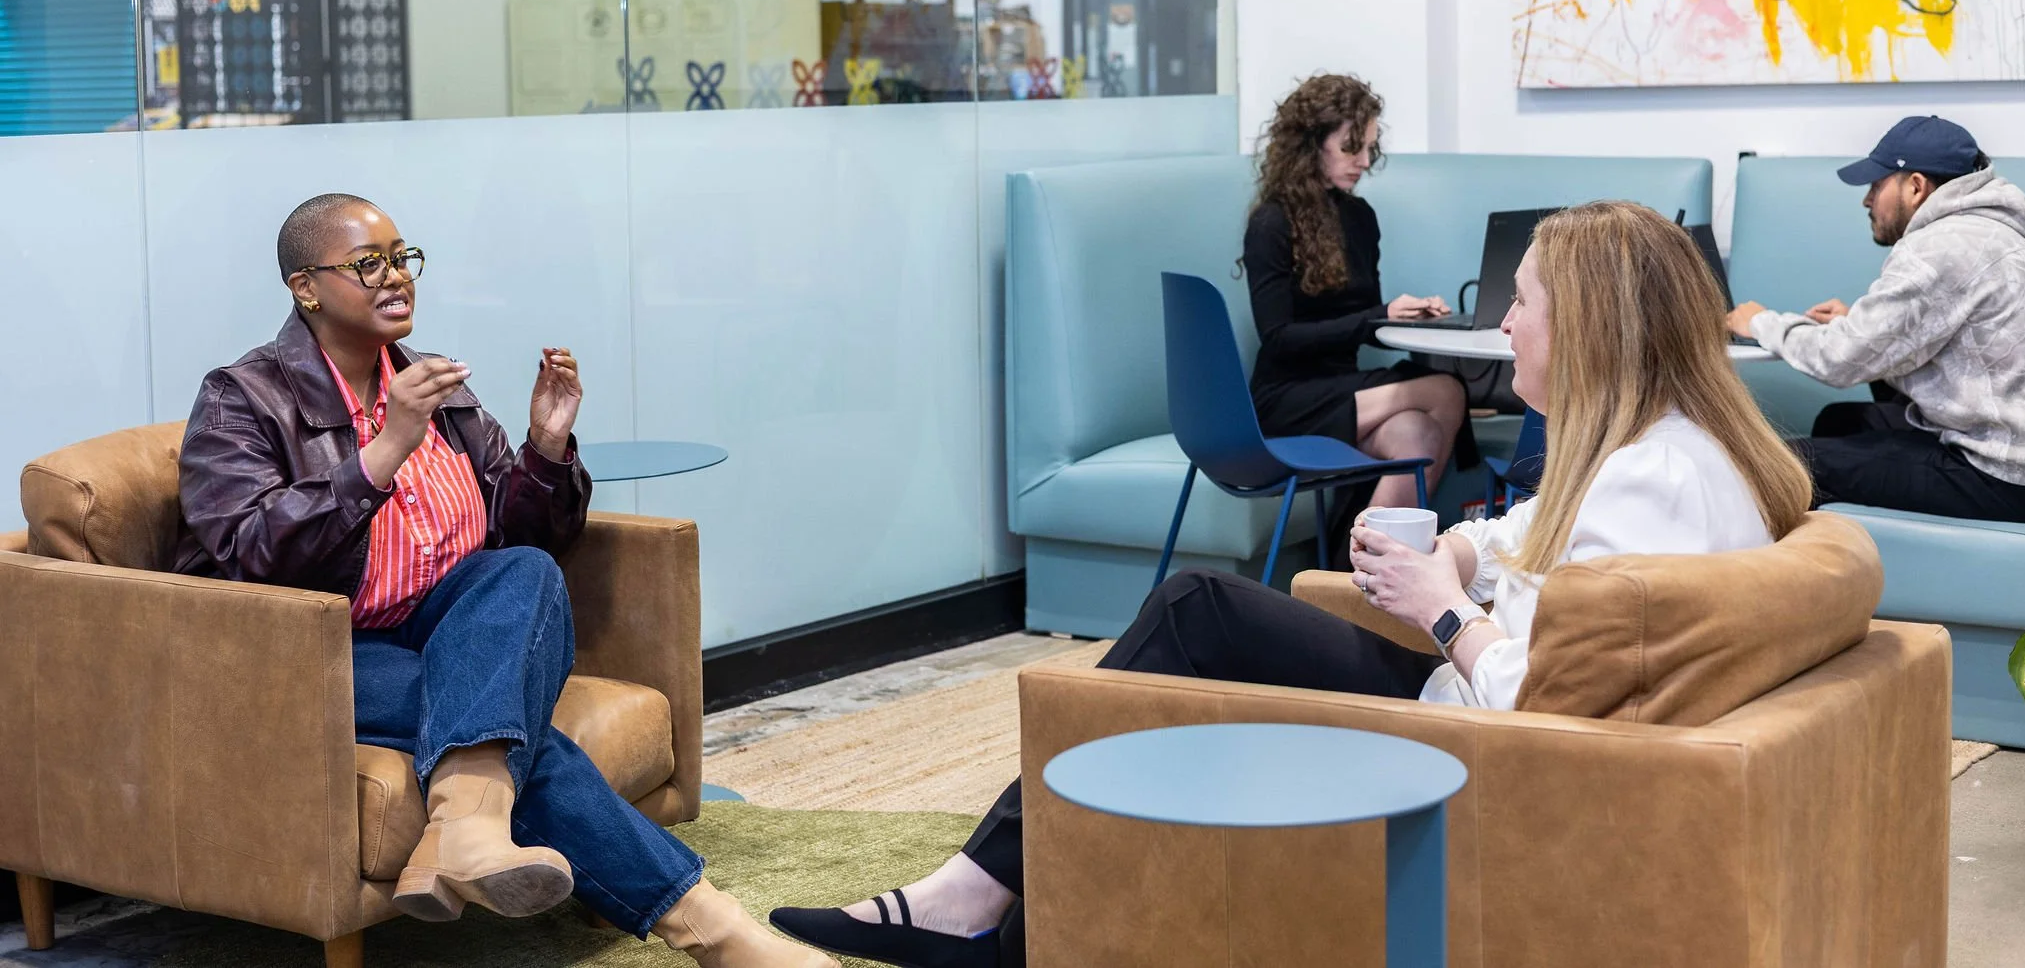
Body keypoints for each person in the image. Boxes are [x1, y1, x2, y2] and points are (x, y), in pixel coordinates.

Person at [768, 201, 1810, 968]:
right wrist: (1451, 556)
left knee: (1186, 616)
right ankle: (1005, 909)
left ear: (1586, 326)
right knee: (1198, 614)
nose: (1503, 327)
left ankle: (975, 905)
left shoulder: (1646, 485)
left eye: (1520, 306)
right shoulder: (1658, 450)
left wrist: (1439, 611)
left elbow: (1538, 698)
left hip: (1480, 757)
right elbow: (1528, 545)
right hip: (1476, 725)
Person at [174, 193, 832, 968]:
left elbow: (521, 537)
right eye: (368, 263)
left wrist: (547, 449)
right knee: (510, 726)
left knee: (520, 571)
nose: (396, 278)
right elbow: (254, 552)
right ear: (304, 287)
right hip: (316, 648)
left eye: (402, 257)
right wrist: (382, 452)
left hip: (444, 620)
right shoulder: (241, 398)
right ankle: (715, 930)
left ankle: (462, 831)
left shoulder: (430, 381)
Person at [1728, 116, 2025, 523]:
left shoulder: (1938, 247)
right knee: (1839, 420)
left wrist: (1760, 323)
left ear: (1915, 186)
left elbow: (1840, 361)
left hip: (2003, 476)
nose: (1867, 200)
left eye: (1877, 185)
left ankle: (1785, 578)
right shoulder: (2005, 236)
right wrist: (1855, 323)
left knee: (1787, 462)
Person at [1240, 74, 1472, 513]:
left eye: (1369, 147)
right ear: (1313, 145)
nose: (1364, 161)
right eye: (1352, 147)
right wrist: (1376, 316)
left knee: (1416, 435)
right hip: (1286, 398)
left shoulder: (1360, 217)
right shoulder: (1271, 223)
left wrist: (1402, 316)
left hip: (1344, 389)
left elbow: (1362, 321)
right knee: (1447, 390)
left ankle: (1356, 568)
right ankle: (1364, 570)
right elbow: (1279, 337)